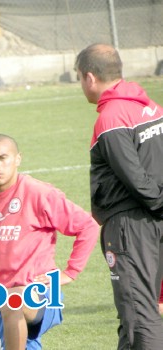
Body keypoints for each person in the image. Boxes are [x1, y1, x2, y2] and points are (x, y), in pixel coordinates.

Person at [0, 134, 100, 350]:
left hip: (39, 292)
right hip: (0, 297)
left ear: (18, 159)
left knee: (13, 300)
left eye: (3, 158)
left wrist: (71, 272)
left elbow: (88, 225)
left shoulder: (38, 192)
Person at [75, 43, 163, 349]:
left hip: (132, 228)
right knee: (136, 313)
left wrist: (159, 204)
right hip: (153, 226)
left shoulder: (111, 117)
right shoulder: (149, 106)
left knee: (140, 317)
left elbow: (135, 179)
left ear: (89, 77)